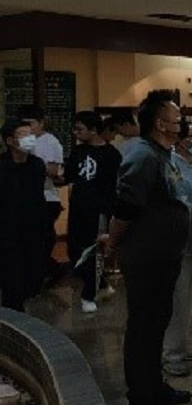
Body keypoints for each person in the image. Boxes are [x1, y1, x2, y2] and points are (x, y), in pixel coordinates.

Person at [100, 90, 191, 405]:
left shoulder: (163, 153)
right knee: (142, 329)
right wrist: (113, 242)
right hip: (146, 255)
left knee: (157, 323)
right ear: (160, 123)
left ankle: (155, 386)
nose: (181, 122)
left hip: (164, 254)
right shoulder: (142, 154)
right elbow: (126, 205)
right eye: (177, 117)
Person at [162, 121, 192, 377]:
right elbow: (177, 203)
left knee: (187, 297)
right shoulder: (173, 166)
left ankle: (181, 345)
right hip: (178, 239)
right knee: (178, 298)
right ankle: (171, 353)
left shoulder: (190, 166)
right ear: (181, 140)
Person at [65, 111, 121, 313]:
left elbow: (114, 185)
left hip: (99, 210)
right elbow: (69, 176)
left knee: (93, 251)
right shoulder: (77, 151)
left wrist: (111, 213)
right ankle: (102, 284)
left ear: (94, 130)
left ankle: (89, 294)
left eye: (80, 129)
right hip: (78, 208)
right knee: (74, 251)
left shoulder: (111, 155)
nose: (76, 133)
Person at [0, 119, 48, 311]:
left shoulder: (37, 165)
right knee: (11, 277)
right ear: (10, 141)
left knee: (32, 274)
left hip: (33, 228)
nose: (30, 138)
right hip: (7, 230)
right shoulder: (2, 166)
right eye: (23, 135)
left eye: (31, 134)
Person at [17, 104, 64, 290]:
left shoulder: (50, 142)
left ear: (41, 123)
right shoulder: (21, 141)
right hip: (26, 196)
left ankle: (51, 270)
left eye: (31, 123)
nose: (27, 127)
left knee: (41, 239)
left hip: (46, 197)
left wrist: (34, 161)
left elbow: (53, 171)